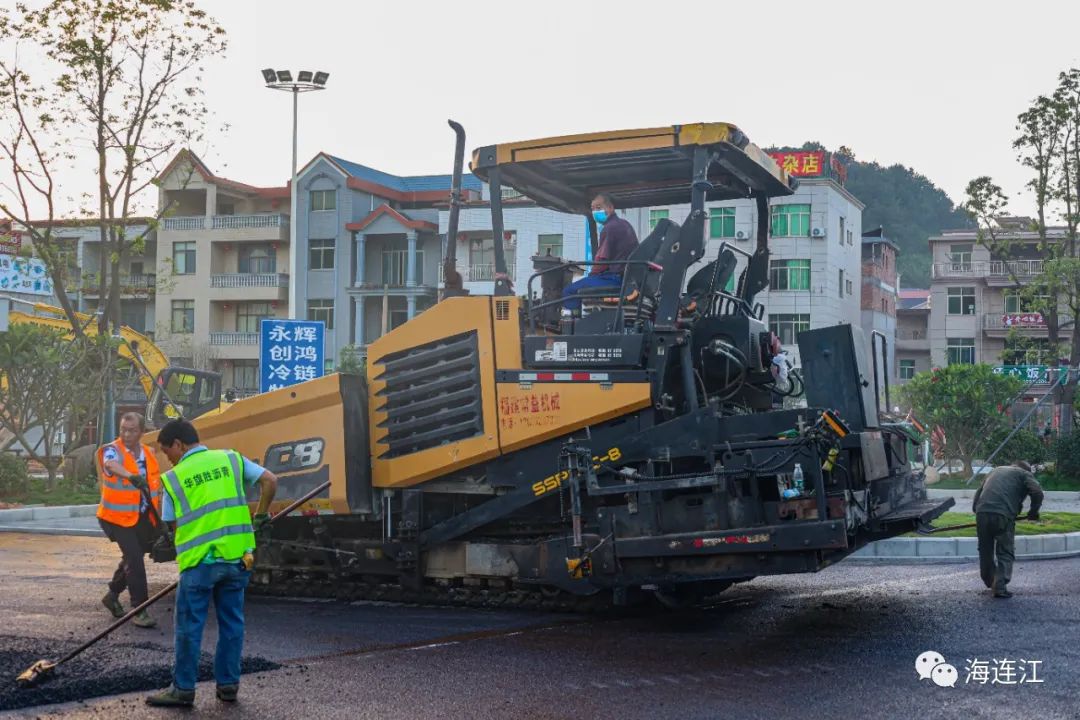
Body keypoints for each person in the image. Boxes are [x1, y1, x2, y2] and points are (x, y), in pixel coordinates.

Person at [146, 419, 278, 707]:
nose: (168, 458)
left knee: (189, 626)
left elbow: (172, 523)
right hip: (237, 559)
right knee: (232, 623)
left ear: (179, 444)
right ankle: (228, 685)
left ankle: (182, 689)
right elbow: (270, 480)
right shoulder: (230, 459)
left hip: (200, 564)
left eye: (168, 451)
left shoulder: (173, 478)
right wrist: (261, 515)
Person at [97, 412, 162, 629]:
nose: (126, 434)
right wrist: (129, 475)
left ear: (142, 432)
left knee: (134, 555)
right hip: (115, 517)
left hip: (141, 516)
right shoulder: (112, 450)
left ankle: (112, 595)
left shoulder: (148, 452)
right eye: (123, 429)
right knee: (135, 559)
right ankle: (139, 609)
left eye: (131, 430)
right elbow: (111, 465)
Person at [972, 460, 1044, 599]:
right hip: (1003, 514)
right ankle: (999, 586)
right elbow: (1037, 492)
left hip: (982, 512)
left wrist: (977, 509)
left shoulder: (996, 470)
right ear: (1027, 469)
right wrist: (1033, 512)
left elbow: (979, 492)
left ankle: (989, 579)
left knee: (985, 549)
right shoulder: (1024, 474)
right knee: (1005, 550)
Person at [562, 193, 639, 314]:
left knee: (569, 291)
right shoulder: (625, 224)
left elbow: (602, 260)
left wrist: (592, 275)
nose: (595, 212)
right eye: (593, 209)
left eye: (599, 207)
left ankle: (573, 324)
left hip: (614, 278)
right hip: (625, 277)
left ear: (610, 208)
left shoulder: (610, 228)